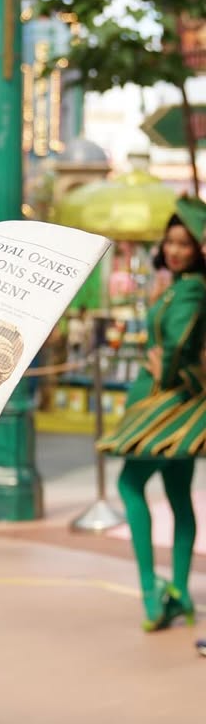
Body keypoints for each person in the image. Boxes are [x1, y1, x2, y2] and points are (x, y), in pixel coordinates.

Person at [100, 197, 206, 631]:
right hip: (176, 400)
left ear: (199, 248)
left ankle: (150, 590)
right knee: (179, 495)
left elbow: (180, 338)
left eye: (186, 243)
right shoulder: (181, 283)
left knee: (129, 484)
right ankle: (178, 591)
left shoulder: (193, 286)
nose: (176, 249)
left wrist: (171, 363)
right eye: (172, 241)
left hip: (167, 401)